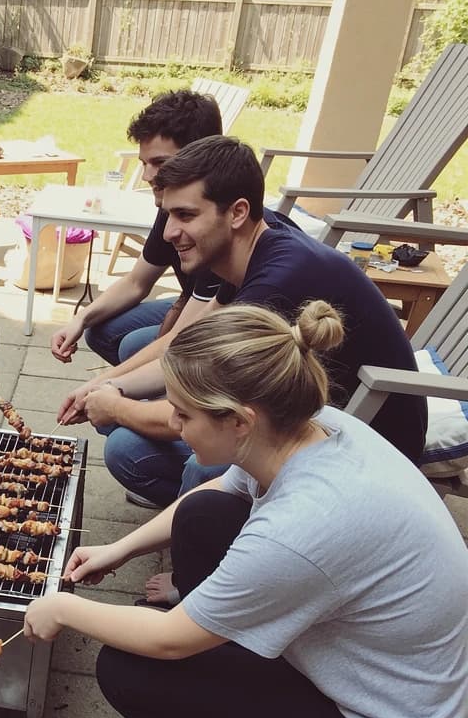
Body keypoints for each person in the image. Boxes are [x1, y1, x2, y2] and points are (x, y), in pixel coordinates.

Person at [25, 301, 468, 718]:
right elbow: (221, 487)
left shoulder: (302, 527)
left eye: (184, 414)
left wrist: (62, 607)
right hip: (384, 658)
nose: (172, 423)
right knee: (203, 514)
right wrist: (120, 549)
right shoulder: (309, 424)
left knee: (130, 670)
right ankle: (218, 622)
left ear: (239, 421)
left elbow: (168, 642)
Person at [59, 136, 427, 511]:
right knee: (125, 431)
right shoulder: (258, 237)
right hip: (297, 414)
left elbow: (206, 413)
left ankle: (206, 546)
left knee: (171, 454)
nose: (169, 232)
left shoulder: (277, 288)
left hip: (364, 443)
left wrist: (117, 407)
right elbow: (186, 344)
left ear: (236, 212)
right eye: (168, 215)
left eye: (185, 215)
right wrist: (106, 387)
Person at [49, 89, 227, 369]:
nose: (147, 176)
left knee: (133, 348)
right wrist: (79, 319)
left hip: (227, 326)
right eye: (144, 163)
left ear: (200, 156)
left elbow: (182, 336)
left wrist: (113, 385)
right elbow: (136, 282)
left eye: (160, 163)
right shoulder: (170, 208)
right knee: (100, 330)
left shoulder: (217, 224)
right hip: (194, 302)